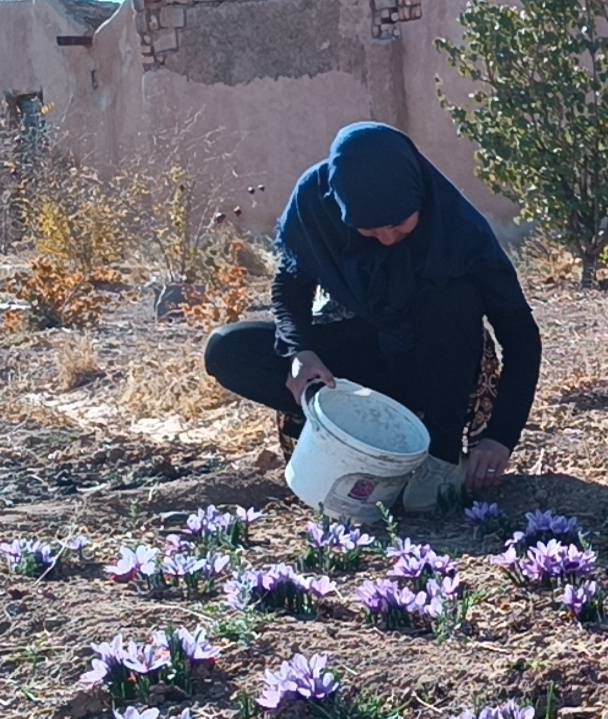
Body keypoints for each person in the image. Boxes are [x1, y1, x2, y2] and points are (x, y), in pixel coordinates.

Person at [203, 122, 541, 511]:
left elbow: (521, 336)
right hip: (360, 367)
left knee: (455, 297)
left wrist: (501, 436)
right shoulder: (315, 202)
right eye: (367, 227)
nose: (386, 239)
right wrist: (300, 352)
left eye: (398, 224)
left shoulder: (461, 231)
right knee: (228, 349)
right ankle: (357, 441)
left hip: (441, 371)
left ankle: (441, 461)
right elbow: (290, 288)